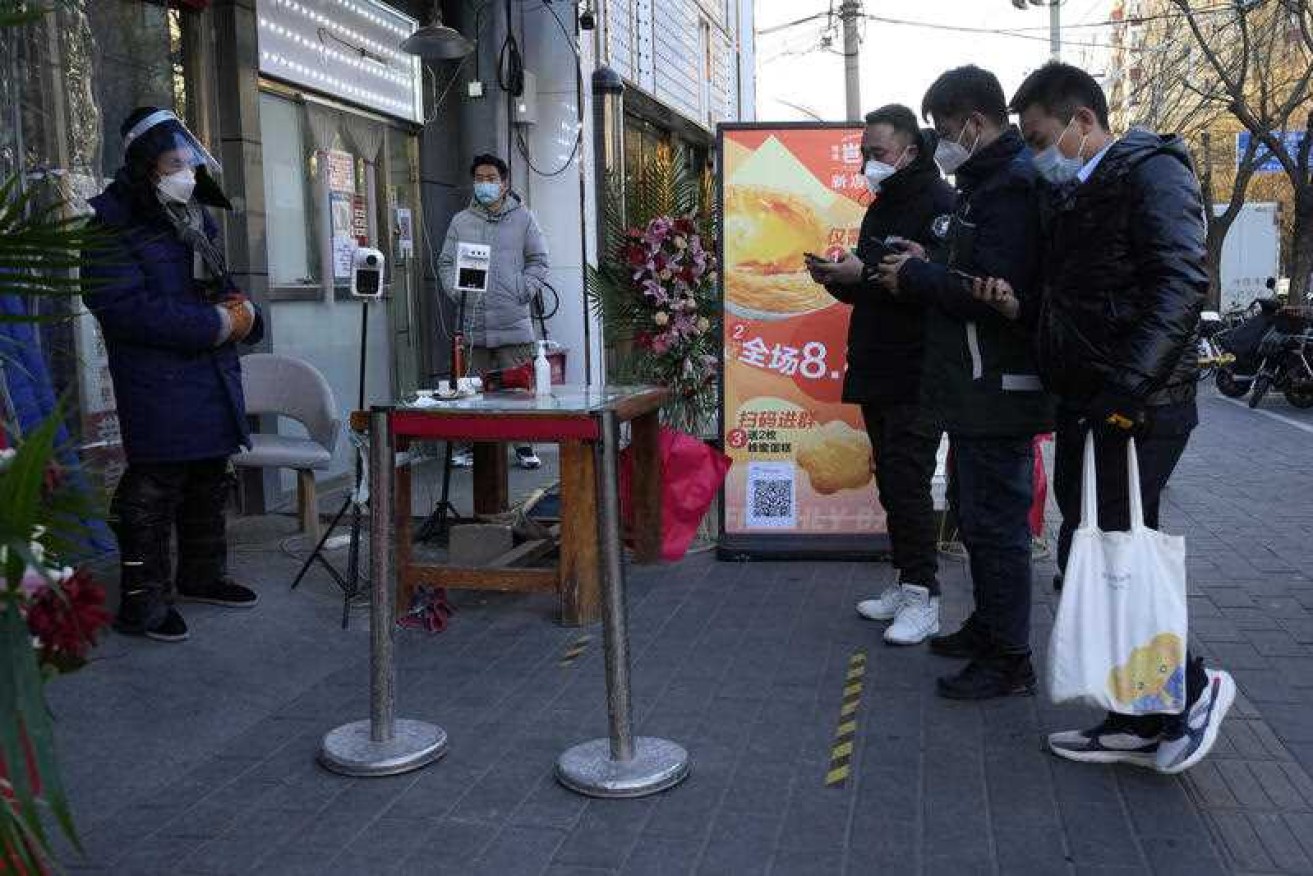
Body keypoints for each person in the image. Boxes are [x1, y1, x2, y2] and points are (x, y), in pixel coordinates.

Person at [975, 62, 1233, 773]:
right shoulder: (1080, 190)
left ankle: (1191, 688)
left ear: (1082, 123)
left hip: (1137, 407)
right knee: (1090, 552)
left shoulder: (1150, 173)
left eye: (1038, 137)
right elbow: (1084, 299)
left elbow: (1181, 282)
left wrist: (1127, 388)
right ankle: (1132, 716)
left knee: (1121, 552)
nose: (1035, 154)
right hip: (1091, 401)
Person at [875, 66, 1054, 699]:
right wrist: (934, 262)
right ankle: (988, 628)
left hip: (1000, 388)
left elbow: (996, 290)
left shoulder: (1012, 187)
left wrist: (922, 280)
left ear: (974, 123)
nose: (942, 142)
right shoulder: (982, 185)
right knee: (977, 521)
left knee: (998, 526)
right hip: (973, 386)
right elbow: (972, 269)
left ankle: (1011, 659)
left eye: (945, 130)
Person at [85, 107, 263, 643]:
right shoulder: (111, 225)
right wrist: (214, 323)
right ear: (145, 167)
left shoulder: (194, 218)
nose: (185, 173)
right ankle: (143, 604)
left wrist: (245, 314)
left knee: (209, 477)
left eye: (188, 162)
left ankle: (203, 574)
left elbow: (222, 288)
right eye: (173, 164)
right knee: (154, 487)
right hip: (156, 379)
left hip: (210, 377)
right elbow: (124, 309)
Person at [807, 105, 956, 646]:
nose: (870, 162)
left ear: (911, 151)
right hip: (876, 362)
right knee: (892, 483)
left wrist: (863, 274)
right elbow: (873, 283)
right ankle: (906, 579)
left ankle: (925, 597)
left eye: (879, 153)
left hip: (918, 368)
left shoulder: (940, 203)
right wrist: (836, 278)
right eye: (865, 153)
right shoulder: (883, 203)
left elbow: (933, 286)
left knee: (910, 482)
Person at [439, 153, 550, 469]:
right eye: (479, 179)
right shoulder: (461, 221)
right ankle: (474, 446)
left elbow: (539, 261)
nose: (484, 184)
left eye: (491, 179)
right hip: (474, 320)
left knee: (518, 389)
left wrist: (523, 289)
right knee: (473, 390)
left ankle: (524, 446)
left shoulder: (524, 218)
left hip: (512, 320)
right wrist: (456, 291)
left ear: (504, 184)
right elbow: (446, 263)